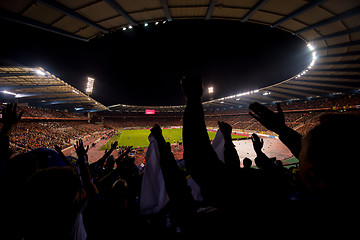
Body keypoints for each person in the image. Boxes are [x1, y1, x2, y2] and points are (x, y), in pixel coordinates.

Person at [249, 101, 360, 200]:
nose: (297, 153)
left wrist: (260, 151)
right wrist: (282, 130)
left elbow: (275, 176)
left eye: (301, 153)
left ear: (313, 172)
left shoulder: (293, 191)